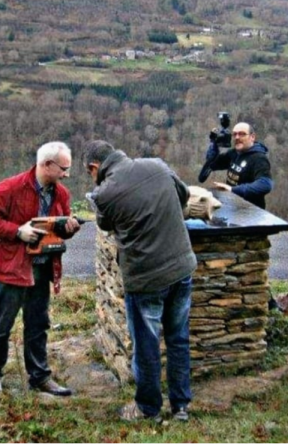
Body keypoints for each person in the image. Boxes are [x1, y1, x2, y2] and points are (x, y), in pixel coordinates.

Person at [83, 140, 196, 423]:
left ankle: (148, 408)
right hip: (182, 267)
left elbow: (105, 224)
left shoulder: (103, 194)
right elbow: (183, 196)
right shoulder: (156, 165)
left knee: (147, 346)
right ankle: (181, 405)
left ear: (94, 168)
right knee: (178, 339)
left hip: (146, 278)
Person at [0, 142, 81, 396]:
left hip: (41, 269)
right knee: (2, 325)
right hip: (10, 268)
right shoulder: (10, 187)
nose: (67, 174)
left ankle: (39, 377)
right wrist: (18, 231)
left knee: (38, 323)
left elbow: (58, 230)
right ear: (46, 165)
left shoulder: (61, 194)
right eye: (63, 168)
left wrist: (67, 228)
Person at [198, 121, 273, 209]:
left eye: (242, 134)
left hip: (251, 212)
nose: (237, 137)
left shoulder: (259, 158)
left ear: (252, 137)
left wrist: (233, 190)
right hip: (233, 208)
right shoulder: (234, 153)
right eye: (235, 134)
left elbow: (265, 184)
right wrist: (214, 145)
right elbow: (212, 164)